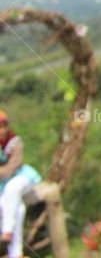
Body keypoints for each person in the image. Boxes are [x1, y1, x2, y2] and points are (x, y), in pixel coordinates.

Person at [0, 110, 42, 258]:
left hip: (20, 177)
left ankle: (7, 232)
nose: (2, 130)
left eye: (3, 126)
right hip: (2, 187)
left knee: (13, 189)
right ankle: (15, 252)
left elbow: (10, 170)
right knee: (18, 208)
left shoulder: (14, 142)